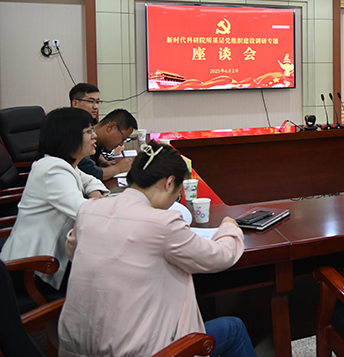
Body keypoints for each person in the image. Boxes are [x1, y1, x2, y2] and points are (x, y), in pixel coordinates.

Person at [58, 143, 256, 357]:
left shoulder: (88, 209)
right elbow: (218, 256)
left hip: (77, 348)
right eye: (177, 193)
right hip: (137, 351)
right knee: (233, 329)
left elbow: (73, 251)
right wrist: (229, 227)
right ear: (169, 183)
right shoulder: (162, 222)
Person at [0, 108, 108, 289]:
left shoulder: (63, 164)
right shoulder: (53, 169)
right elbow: (85, 213)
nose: (94, 135)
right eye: (89, 131)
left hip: (48, 258)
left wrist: (95, 194)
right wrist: (100, 203)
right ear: (68, 136)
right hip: (32, 269)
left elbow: (90, 181)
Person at [76, 108, 137, 181]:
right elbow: (90, 174)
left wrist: (100, 160)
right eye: (123, 139)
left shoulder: (99, 142)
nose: (121, 144)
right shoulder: (81, 139)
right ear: (111, 127)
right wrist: (118, 168)